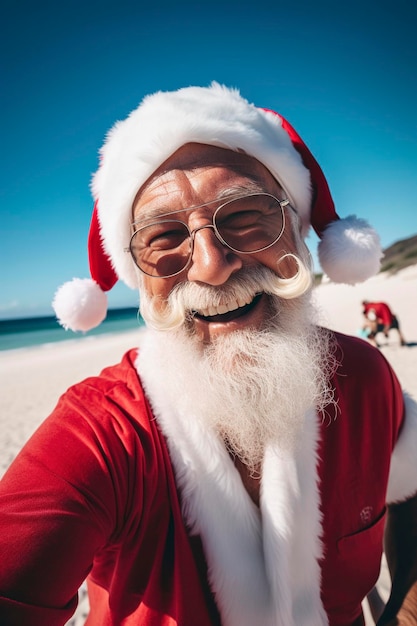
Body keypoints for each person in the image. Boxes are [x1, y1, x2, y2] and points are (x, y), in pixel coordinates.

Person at [1, 83, 417, 626]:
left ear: (296, 230)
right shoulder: (100, 433)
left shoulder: (364, 374)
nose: (210, 264)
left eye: (246, 215)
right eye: (164, 238)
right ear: (137, 276)